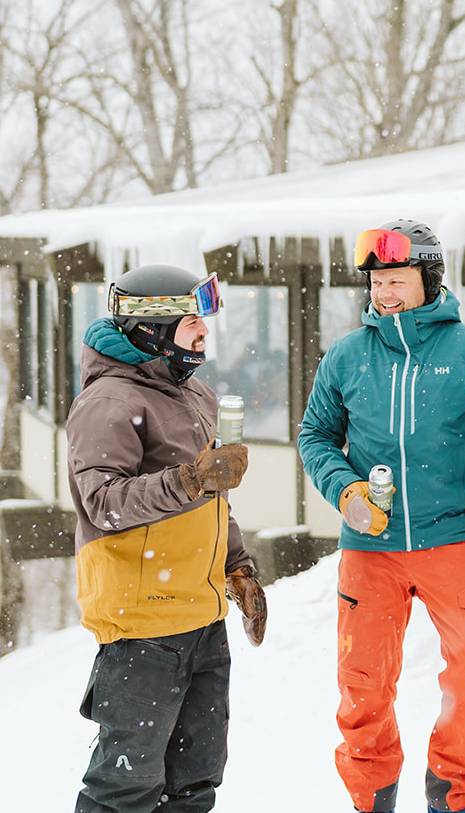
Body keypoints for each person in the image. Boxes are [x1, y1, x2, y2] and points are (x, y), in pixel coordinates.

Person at [297, 219, 465, 813]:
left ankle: (453, 795)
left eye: (398, 279)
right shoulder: (348, 356)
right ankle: (371, 798)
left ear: (429, 279)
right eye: (377, 281)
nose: (386, 293)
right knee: (363, 687)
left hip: (451, 539)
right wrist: (345, 489)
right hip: (368, 548)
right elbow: (316, 436)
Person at [69, 264, 266, 813]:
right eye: (188, 322)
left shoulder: (192, 394)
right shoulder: (110, 402)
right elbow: (103, 504)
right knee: (125, 789)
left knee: (195, 782)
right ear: (150, 330)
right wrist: (190, 479)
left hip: (200, 619)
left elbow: (211, 500)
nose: (203, 332)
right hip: (142, 625)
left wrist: (239, 567)